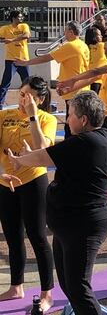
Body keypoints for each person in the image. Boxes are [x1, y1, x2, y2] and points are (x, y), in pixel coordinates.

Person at [6, 91, 107, 314]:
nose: (67, 119)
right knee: (68, 283)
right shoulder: (89, 140)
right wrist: (32, 153)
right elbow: (47, 152)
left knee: (78, 286)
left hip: (84, 226)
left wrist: (18, 160)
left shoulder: (88, 141)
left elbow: (43, 157)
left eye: (71, 114)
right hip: (69, 225)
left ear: (83, 119)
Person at [57, 37, 107, 197]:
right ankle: (99, 179)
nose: (106, 51)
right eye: (105, 48)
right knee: (97, 146)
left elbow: (95, 72)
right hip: (105, 113)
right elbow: (92, 78)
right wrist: (68, 89)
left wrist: (72, 79)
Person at [0, 77, 57, 311]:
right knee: (13, 237)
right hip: (6, 183)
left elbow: (43, 149)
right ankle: (16, 286)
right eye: (22, 93)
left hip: (33, 181)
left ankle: (47, 293)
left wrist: (33, 114)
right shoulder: (4, 116)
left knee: (37, 237)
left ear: (40, 99)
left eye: (29, 95)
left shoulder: (47, 119)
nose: (23, 99)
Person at [15, 22, 89, 139]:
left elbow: (48, 57)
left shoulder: (70, 46)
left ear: (70, 31)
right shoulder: (83, 45)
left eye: (65, 30)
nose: (64, 33)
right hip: (80, 88)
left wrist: (26, 62)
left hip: (73, 90)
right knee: (78, 121)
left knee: (71, 123)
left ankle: (70, 149)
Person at [0, 10, 31, 108]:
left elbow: (27, 35)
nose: (21, 19)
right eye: (19, 17)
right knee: (5, 83)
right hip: (11, 60)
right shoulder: (5, 28)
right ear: (13, 18)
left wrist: (12, 40)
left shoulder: (24, 26)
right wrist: (4, 40)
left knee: (27, 83)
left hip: (23, 60)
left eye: (22, 17)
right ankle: (0, 104)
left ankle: (28, 103)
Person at [85, 26, 107, 95]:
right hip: (99, 79)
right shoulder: (101, 46)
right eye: (99, 34)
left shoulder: (86, 47)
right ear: (94, 37)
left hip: (88, 78)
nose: (101, 36)